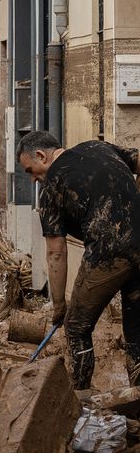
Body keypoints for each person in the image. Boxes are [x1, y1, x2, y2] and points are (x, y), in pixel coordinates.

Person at [18, 130, 140, 389]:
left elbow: (56, 252)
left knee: (76, 327)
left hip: (109, 254)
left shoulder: (52, 189)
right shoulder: (99, 147)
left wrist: (59, 304)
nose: (32, 179)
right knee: (136, 330)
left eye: (30, 170)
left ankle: (79, 398)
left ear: (41, 155)